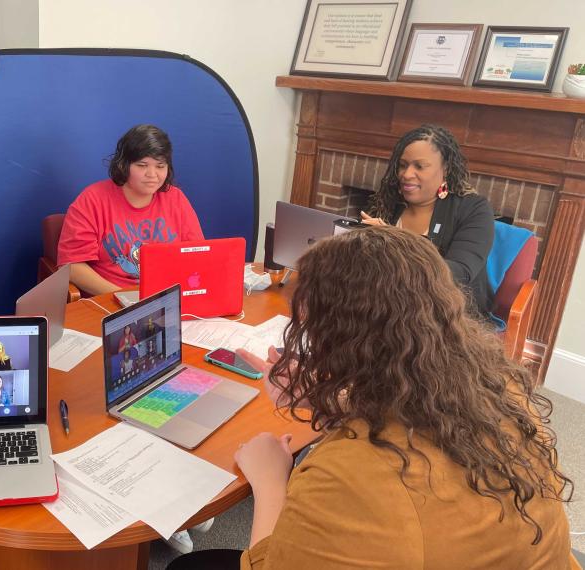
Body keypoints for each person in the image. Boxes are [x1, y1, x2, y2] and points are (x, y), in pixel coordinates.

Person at [170, 226, 576, 569]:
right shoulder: (497, 390)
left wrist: (271, 479)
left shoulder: (350, 473)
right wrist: (327, 398)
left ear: (343, 341)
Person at [360, 124, 495, 316]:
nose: (406, 175)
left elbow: (460, 272)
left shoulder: (474, 209)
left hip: (447, 314)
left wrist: (395, 240)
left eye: (420, 166)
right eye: (403, 165)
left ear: (446, 168)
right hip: (386, 303)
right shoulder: (388, 202)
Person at [57, 124, 204, 295]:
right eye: (142, 165)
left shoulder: (176, 198)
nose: (152, 174)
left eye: (160, 166)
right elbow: (72, 266)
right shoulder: (92, 200)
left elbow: (197, 255)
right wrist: (124, 298)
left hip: (168, 299)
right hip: (112, 301)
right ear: (123, 165)